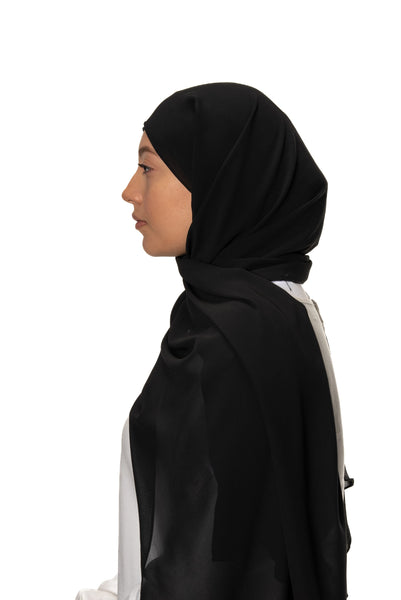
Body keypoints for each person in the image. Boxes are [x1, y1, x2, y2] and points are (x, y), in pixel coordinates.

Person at [75, 82, 354, 600]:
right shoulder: (283, 310)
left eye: (147, 167)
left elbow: (203, 575)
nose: (130, 191)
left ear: (217, 180)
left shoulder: (229, 343)